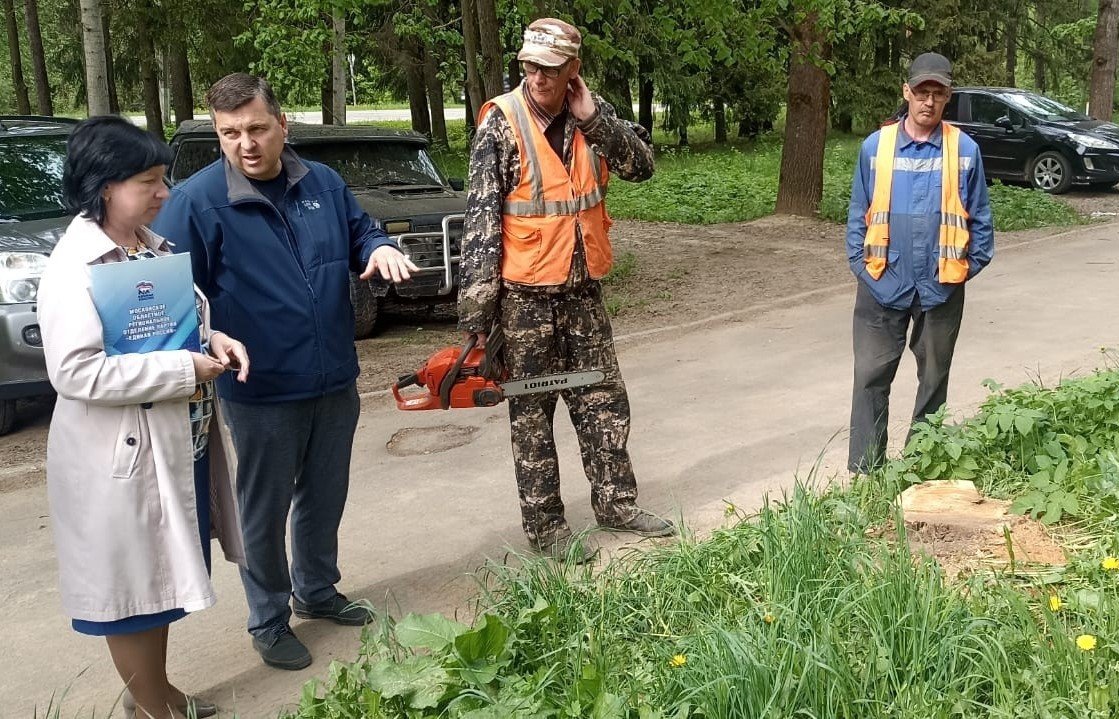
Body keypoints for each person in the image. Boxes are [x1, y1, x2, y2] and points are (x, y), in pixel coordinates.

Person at [151, 73, 417, 670]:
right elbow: (166, 299)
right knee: (262, 510)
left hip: (332, 378)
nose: (245, 143)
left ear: (282, 126)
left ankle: (317, 592)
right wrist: (203, 349)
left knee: (325, 495)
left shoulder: (321, 182)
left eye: (256, 128)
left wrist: (377, 247)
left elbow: (360, 231)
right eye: (229, 133)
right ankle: (268, 618)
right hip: (259, 389)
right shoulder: (197, 203)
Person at [38, 116, 250, 719]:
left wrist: (216, 339)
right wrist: (186, 371)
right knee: (131, 594)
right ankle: (154, 707)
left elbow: (171, 327)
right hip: (119, 457)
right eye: (150, 182)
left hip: (172, 440)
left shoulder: (147, 247)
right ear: (106, 186)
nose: (164, 194)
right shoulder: (75, 268)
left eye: (164, 180)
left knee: (158, 587)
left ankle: (153, 691)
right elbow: (75, 373)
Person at [458, 18, 677, 563]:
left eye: (549, 69)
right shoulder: (501, 123)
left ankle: (617, 505)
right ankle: (547, 528)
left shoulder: (591, 117)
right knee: (532, 412)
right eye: (529, 65)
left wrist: (597, 120)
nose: (536, 76)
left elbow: (641, 167)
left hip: (582, 291)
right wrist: (477, 315)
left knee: (602, 398)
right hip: (524, 297)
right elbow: (481, 221)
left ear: (573, 70)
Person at [846, 52, 994, 473]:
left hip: (940, 288)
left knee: (933, 381)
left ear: (948, 97)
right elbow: (858, 217)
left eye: (938, 93)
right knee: (871, 377)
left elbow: (981, 225)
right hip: (880, 285)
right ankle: (867, 472)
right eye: (922, 92)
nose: (928, 101)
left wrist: (960, 272)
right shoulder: (876, 147)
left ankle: (920, 467)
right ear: (906, 92)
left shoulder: (965, 150)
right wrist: (865, 268)